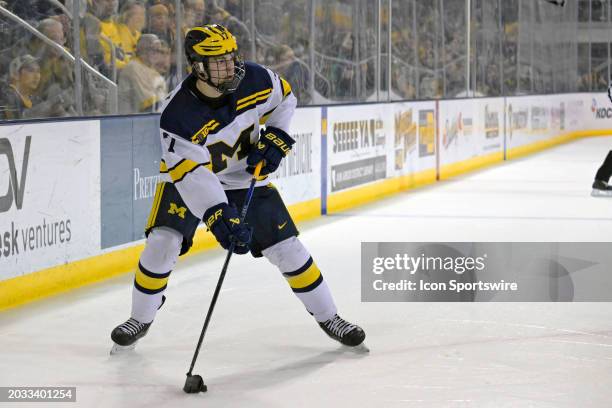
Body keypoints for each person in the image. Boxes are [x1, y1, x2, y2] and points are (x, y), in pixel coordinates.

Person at [110, 24, 366, 351]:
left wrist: (277, 137)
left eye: (231, 57)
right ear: (197, 66)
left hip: (244, 177)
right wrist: (219, 215)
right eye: (218, 61)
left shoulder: (255, 79)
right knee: (163, 243)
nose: (229, 66)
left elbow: (285, 98)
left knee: (287, 248)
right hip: (186, 180)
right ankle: (141, 318)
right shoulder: (177, 115)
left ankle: (330, 317)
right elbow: (192, 175)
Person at [118, 34, 167, 113]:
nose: (158, 54)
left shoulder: (151, 70)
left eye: (159, 51)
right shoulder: (134, 67)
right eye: (154, 50)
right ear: (143, 50)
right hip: (130, 121)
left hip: (146, 119)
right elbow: (150, 104)